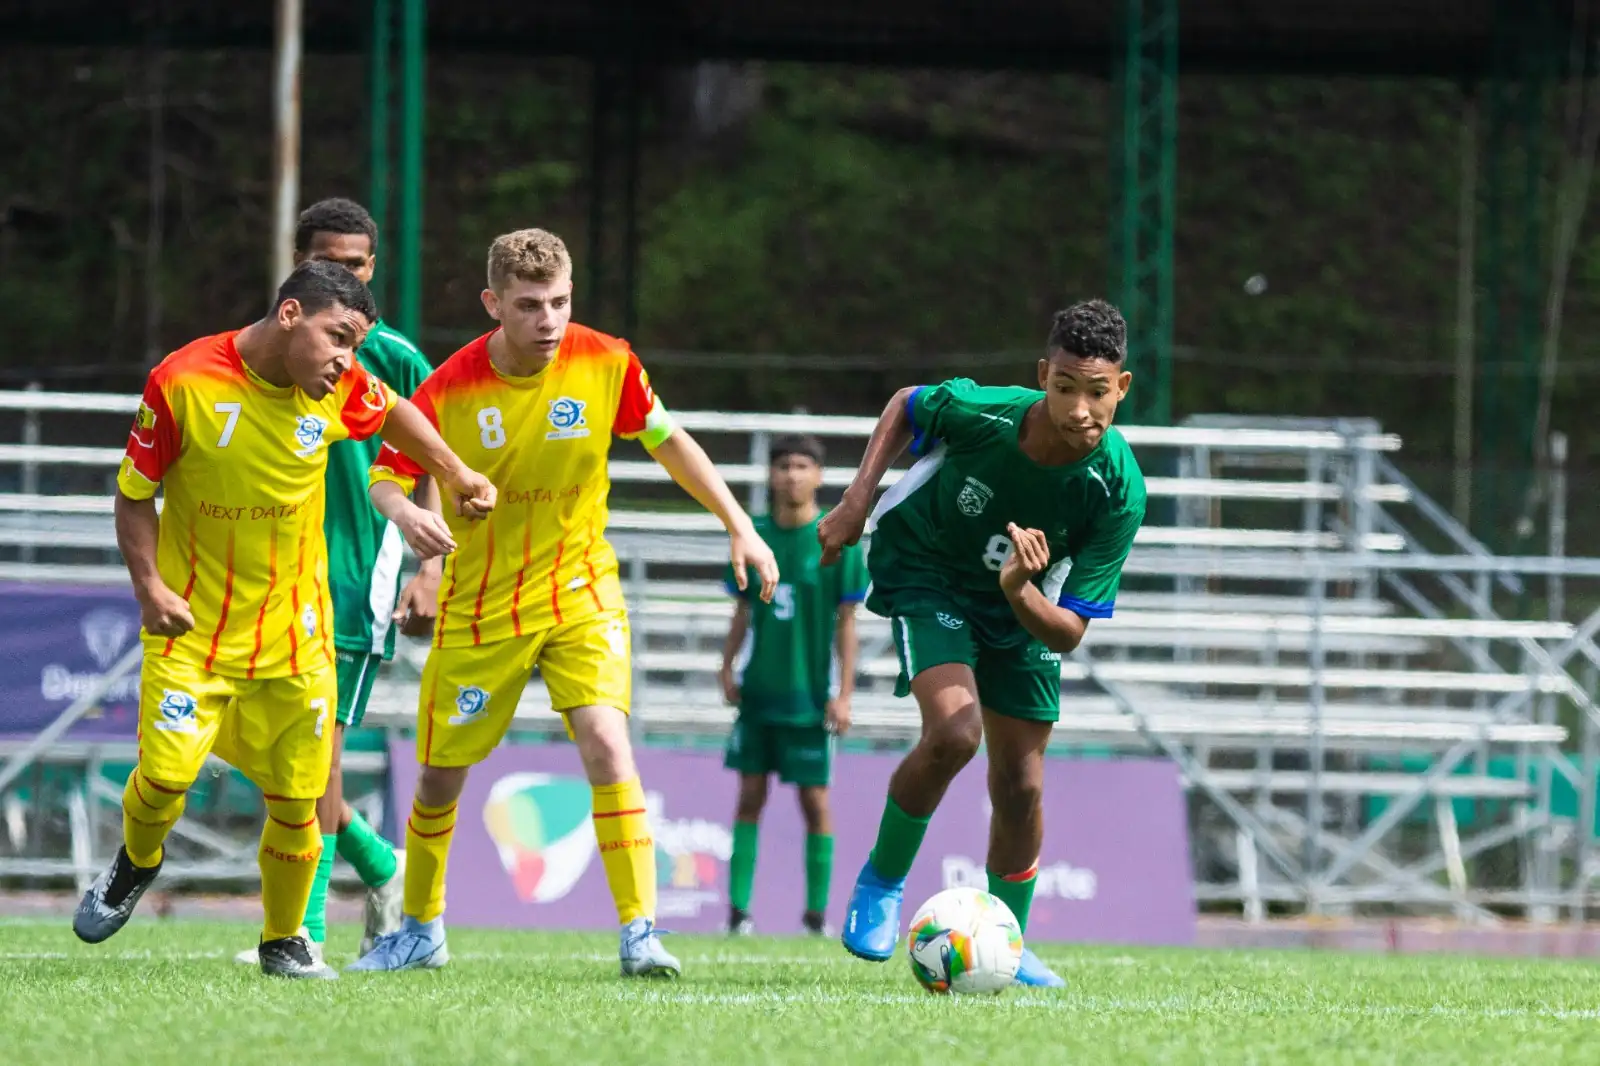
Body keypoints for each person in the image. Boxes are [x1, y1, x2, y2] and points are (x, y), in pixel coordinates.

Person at [349, 228, 779, 977]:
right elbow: (386, 473)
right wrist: (411, 514)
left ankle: (642, 932)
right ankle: (419, 929)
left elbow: (670, 441)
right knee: (440, 775)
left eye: (559, 302)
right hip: (481, 605)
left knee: (608, 744)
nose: (548, 320)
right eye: (528, 305)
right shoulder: (451, 385)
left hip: (581, 589)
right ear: (493, 305)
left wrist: (740, 526)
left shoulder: (605, 360)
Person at [72, 261, 495, 979]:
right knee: (165, 780)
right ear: (292, 314)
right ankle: (136, 863)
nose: (347, 361)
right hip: (193, 630)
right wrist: (149, 587)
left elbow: (395, 410)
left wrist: (456, 474)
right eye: (338, 338)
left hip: (296, 634)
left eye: (357, 346)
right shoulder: (185, 381)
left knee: (302, 795)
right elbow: (133, 494)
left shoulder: (338, 389)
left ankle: (285, 939)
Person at [817, 299, 1146, 989]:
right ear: (1042, 376)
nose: (1079, 409)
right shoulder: (989, 413)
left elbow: (1071, 631)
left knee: (1021, 785)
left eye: (1096, 392)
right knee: (956, 733)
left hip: (1017, 605)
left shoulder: (1118, 489)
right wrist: (856, 500)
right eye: (1063, 387)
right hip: (927, 569)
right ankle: (880, 884)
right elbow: (908, 404)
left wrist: (1021, 590)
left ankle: (1009, 938)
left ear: (1122, 387)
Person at [229, 198, 441, 969]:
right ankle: (382, 868)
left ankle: (302, 934)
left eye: (357, 264)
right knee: (280, 762)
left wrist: (431, 565)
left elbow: (431, 457)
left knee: (310, 763)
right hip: (266, 580)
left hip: (351, 580)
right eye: (331, 261)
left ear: (373, 267)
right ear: (299, 265)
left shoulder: (395, 358)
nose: (346, 275)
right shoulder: (273, 352)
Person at [720, 434, 866, 937]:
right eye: (783, 466)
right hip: (759, 692)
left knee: (816, 803)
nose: (792, 475)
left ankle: (815, 917)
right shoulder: (753, 536)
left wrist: (844, 693)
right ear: (771, 475)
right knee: (749, 797)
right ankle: (738, 913)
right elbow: (742, 609)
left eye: (803, 466)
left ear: (820, 476)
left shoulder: (836, 540)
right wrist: (726, 666)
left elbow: (848, 621)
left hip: (810, 698)